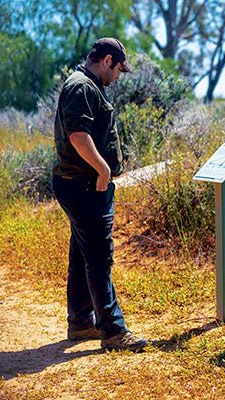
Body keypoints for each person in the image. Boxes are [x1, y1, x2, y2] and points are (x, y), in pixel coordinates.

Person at [52, 38, 148, 351]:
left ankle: (81, 322)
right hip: (85, 185)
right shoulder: (82, 86)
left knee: (82, 254)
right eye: (119, 68)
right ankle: (113, 331)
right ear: (107, 60)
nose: (119, 76)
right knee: (98, 256)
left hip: (82, 185)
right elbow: (78, 135)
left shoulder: (90, 85)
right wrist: (103, 170)